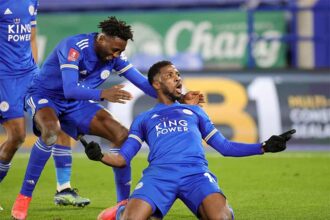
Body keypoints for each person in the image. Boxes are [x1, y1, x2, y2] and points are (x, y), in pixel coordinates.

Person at [11, 17, 202, 220]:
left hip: (76, 103)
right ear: (102, 39)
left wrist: (180, 97)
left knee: (121, 135)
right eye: (114, 50)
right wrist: (102, 94)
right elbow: (70, 88)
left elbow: (145, 84)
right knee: (50, 131)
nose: (116, 55)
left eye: (120, 51)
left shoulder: (115, 57)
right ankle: (23, 198)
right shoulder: (74, 46)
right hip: (45, 96)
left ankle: (122, 205)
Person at [81, 60, 296, 220]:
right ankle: (122, 212)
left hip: (195, 175)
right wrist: (100, 155)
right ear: (156, 83)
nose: (178, 78)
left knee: (221, 218)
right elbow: (123, 159)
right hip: (159, 177)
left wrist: (264, 147)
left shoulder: (194, 112)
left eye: (178, 74)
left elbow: (225, 147)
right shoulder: (144, 119)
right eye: (170, 75)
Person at [0, 1, 89, 211]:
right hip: (5, 78)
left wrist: (36, 71)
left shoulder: (32, 0)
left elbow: (32, 35)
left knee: (58, 118)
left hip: (30, 73)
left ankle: (64, 189)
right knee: (17, 136)